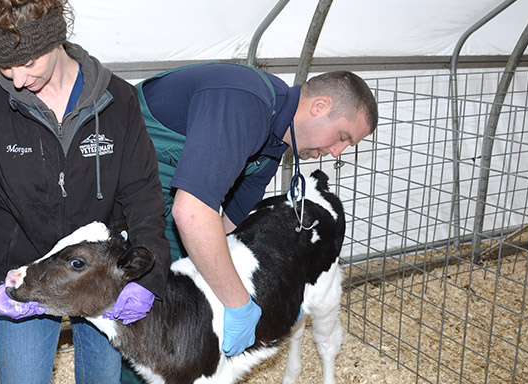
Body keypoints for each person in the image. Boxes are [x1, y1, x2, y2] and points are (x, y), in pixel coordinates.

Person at [0, 1, 169, 383]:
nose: (18, 80)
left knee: (101, 379)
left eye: (27, 63)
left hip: (99, 277)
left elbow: (143, 195)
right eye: (4, 67)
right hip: (24, 272)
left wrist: (146, 279)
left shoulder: (118, 100)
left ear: (55, 39)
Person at [133, 63, 378, 369]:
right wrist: (239, 304)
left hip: (164, 208)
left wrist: (266, 295)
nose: (337, 152)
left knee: (178, 311)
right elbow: (192, 211)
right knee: (138, 323)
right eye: (342, 136)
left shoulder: (274, 143)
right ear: (320, 106)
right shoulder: (246, 101)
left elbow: (226, 226)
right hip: (121, 199)